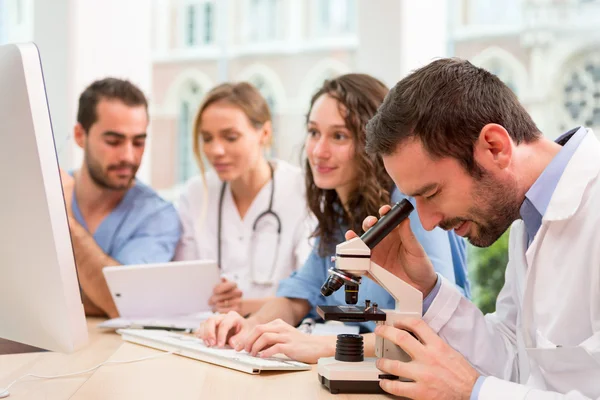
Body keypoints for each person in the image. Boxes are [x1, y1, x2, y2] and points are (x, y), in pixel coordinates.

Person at [359, 58, 600, 399]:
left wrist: (472, 392)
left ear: (494, 147)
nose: (426, 222)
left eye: (431, 193)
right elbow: (517, 363)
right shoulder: (528, 220)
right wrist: (424, 288)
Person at [196, 73, 470, 364]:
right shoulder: (340, 212)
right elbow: (301, 294)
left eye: (339, 136)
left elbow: (436, 324)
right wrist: (248, 326)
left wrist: (322, 345)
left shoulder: (410, 206)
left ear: (375, 143)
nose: (318, 151)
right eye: (314, 133)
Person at [174, 82, 313, 315]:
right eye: (207, 138)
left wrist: (238, 307)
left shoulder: (303, 191)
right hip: (207, 334)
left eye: (230, 137)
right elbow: (183, 288)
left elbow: (311, 293)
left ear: (265, 133)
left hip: (278, 335)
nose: (216, 150)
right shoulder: (195, 194)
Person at [60, 78, 181, 319]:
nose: (128, 156)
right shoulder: (46, 192)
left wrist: (64, 222)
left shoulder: (157, 216)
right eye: (113, 141)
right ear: (79, 135)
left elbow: (125, 303)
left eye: (138, 142)